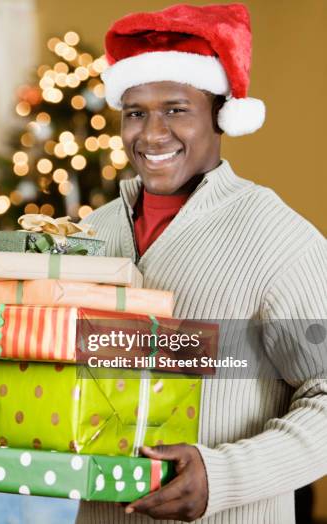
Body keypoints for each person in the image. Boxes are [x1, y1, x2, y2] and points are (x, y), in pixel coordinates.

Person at [75, 3, 327, 523]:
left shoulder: (281, 239)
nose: (151, 135)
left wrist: (222, 476)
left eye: (176, 109)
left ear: (220, 115)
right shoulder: (90, 235)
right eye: (136, 112)